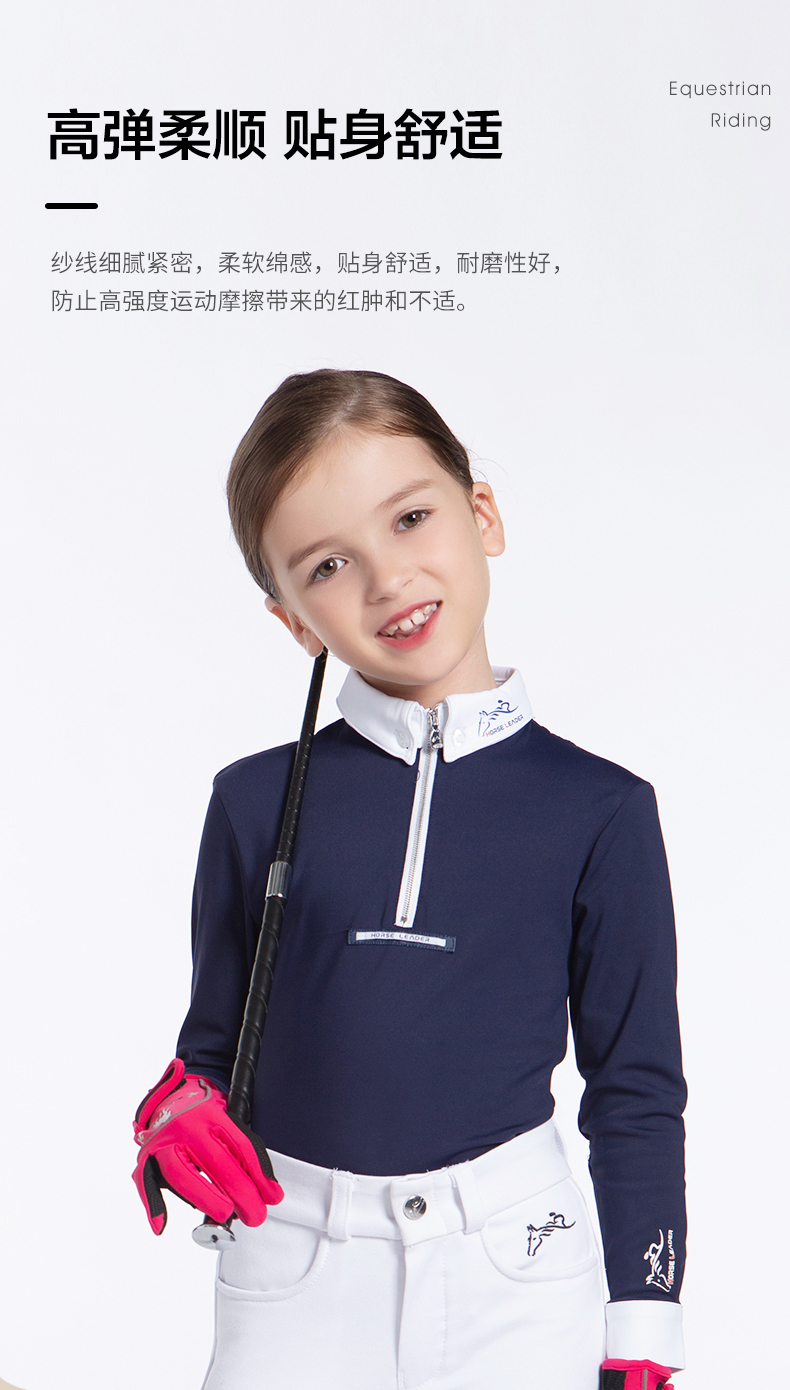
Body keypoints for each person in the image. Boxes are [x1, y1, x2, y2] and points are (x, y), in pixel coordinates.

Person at [132, 370, 686, 1390]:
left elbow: (635, 1090)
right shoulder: (252, 801)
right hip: (292, 1264)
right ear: (293, 620)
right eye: (329, 563)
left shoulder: (601, 808)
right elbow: (213, 1047)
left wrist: (644, 1324)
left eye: (411, 518)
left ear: (483, 515)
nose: (387, 578)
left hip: (521, 1270)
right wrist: (175, 1106)